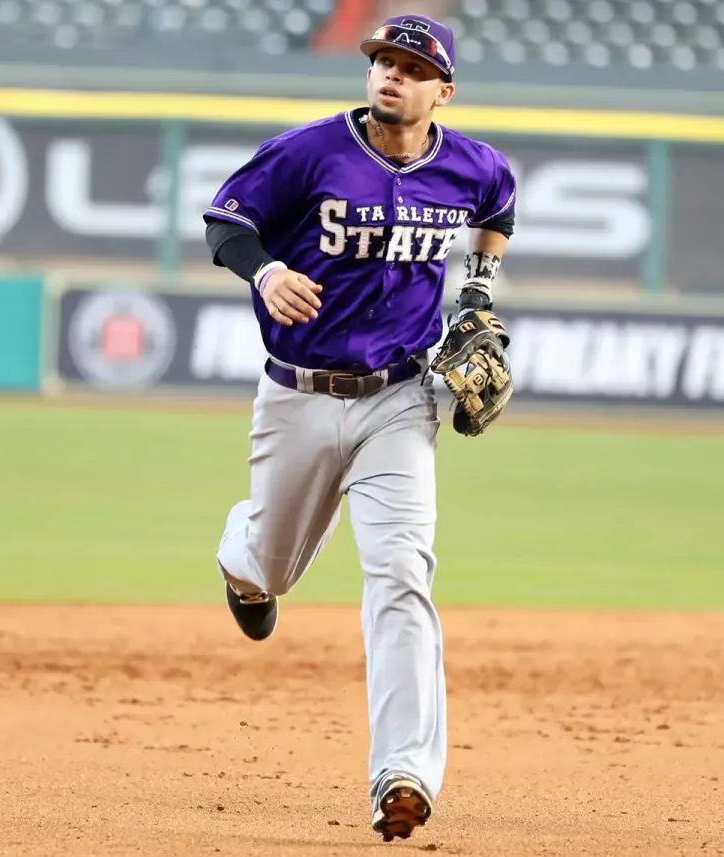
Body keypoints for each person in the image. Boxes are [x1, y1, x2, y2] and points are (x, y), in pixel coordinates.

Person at [202, 15, 516, 842]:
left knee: (402, 572)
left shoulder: (473, 166)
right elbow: (225, 221)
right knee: (271, 561)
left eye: (414, 67)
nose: (392, 75)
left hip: (400, 399)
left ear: (442, 90)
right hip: (298, 394)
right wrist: (264, 271)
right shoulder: (309, 151)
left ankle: (402, 772)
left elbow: (499, 205)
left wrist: (478, 293)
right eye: (384, 60)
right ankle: (241, 563)